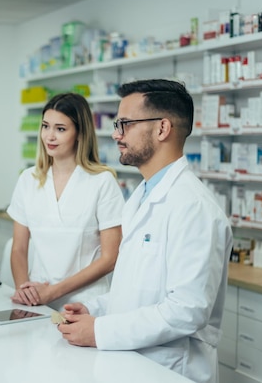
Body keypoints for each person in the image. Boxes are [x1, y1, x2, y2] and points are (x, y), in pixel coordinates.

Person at [57, 79, 233, 383]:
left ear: (162, 129)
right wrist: (93, 307)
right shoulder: (141, 196)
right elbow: (136, 289)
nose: (116, 134)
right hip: (131, 363)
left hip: (170, 368)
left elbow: (186, 312)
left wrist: (99, 330)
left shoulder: (194, 208)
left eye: (125, 124)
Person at [7, 92, 124, 311]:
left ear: (80, 133)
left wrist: (52, 292)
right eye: (45, 126)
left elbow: (110, 258)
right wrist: (25, 291)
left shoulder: (102, 182)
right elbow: (19, 249)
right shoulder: (28, 179)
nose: (49, 136)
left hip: (86, 305)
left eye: (60, 129)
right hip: (37, 303)